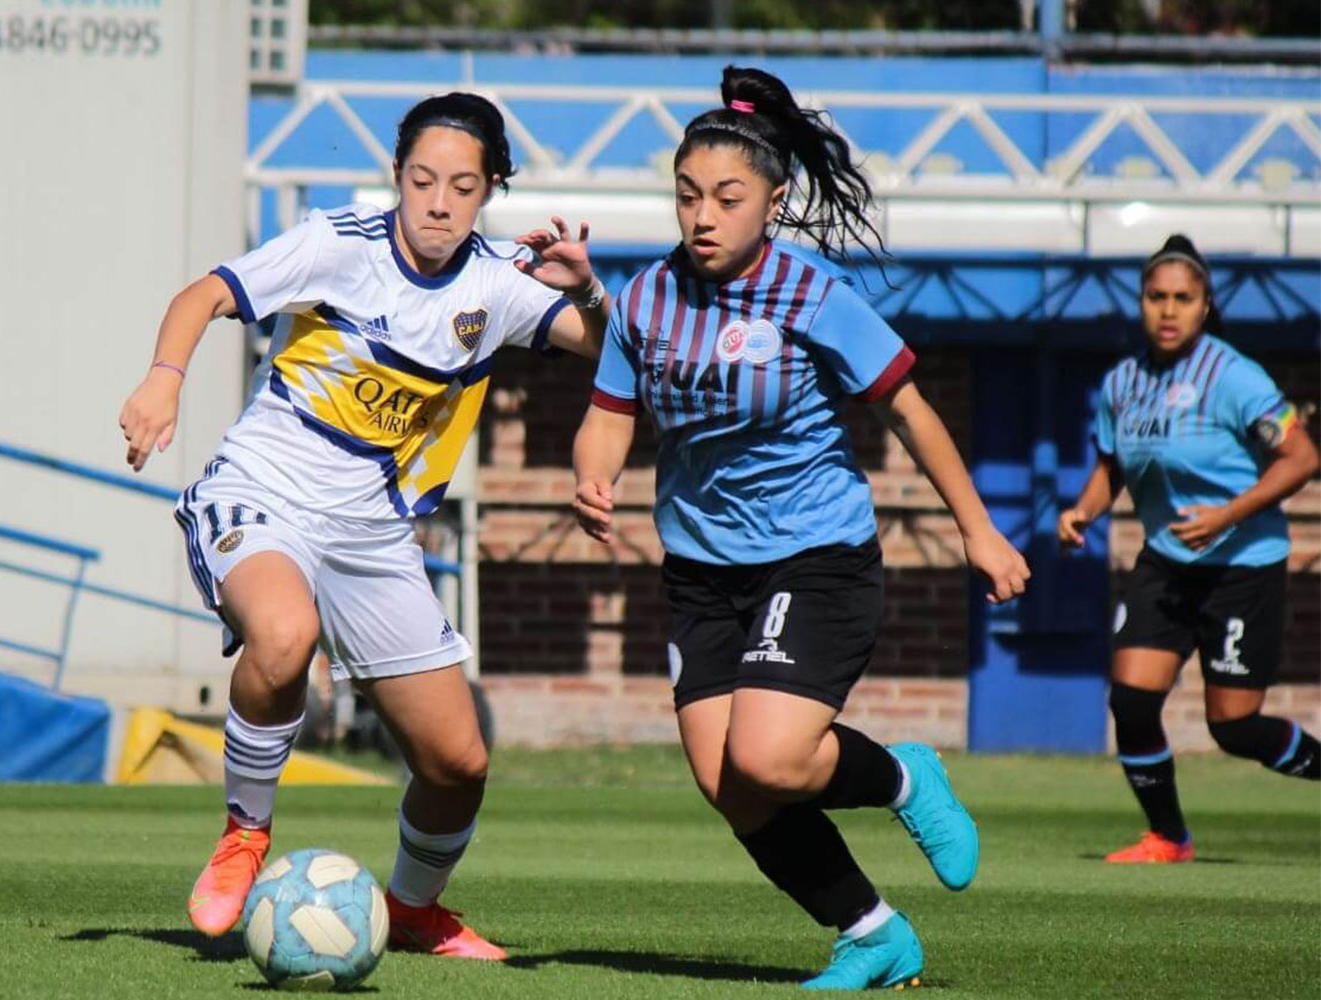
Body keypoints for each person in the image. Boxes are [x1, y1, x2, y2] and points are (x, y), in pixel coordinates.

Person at [117, 92, 610, 959]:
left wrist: (592, 290)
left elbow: (608, 351)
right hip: (261, 492)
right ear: (396, 176)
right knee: (283, 636)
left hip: (374, 537)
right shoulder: (336, 244)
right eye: (422, 179)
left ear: (490, 190)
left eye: (463, 185)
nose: (439, 201)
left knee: (458, 764)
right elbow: (204, 294)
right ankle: (245, 832)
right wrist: (165, 377)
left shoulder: (498, 281)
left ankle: (415, 911)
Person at [570, 66, 1029, 991]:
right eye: (687, 195)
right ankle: (872, 933)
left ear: (773, 204)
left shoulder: (812, 294)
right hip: (699, 572)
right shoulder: (646, 298)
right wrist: (594, 471)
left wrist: (979, 529)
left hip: (813, 556)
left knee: (770, 758)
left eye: (727, 198)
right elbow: (611, 405)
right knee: (729, 784)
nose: (702, 215)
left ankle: (902, 777)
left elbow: (909, 412)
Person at [1059, 234, 1320, 864]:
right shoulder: (1122, 383)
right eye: (1156, 297)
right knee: (1130, 697)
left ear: (1205, 307)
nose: (1168, 310)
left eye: (1183, 298)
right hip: (1166, 562)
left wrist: (1228, 514)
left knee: (1233, 727)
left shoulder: (1234, 377)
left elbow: (1302, 457)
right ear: (1141, 303)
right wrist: (1084, 511)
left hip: (1241, 568)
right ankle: (1168, 838)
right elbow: (1112, 465)